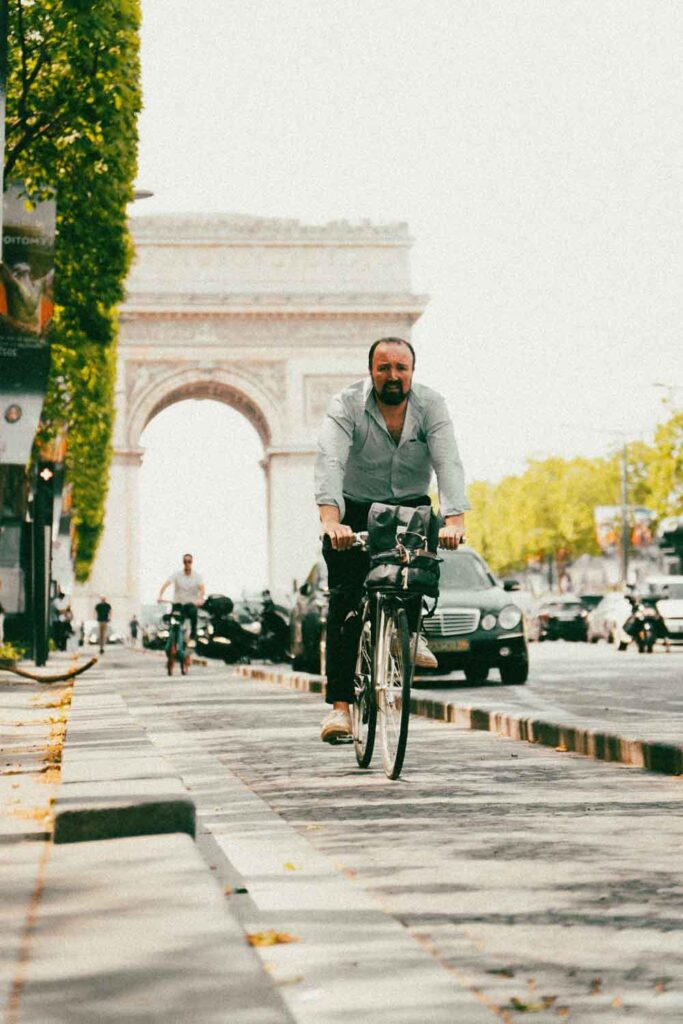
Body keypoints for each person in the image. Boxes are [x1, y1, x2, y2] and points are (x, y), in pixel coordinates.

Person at [315, 336, 469, 744]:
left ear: (412, 372)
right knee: (346, 603)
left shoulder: (431, 405)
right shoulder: (345, 405)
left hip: (410, 507)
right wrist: (332, 521)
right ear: (371, 372)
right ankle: (340, 711)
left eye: (401, 367)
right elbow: (330, 460)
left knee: (416, 572)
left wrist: (454, 520)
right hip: (354, 509)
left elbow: (448, 461)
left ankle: (410, 631)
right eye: (384, 367)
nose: (393, 375)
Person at [158, 554, 205, 643]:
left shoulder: (197, 576)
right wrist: (160, 596)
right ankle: (171, 637)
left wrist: (200, 599)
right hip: (178, 604)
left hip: (190, 604)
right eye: (185, 562)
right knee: (173, 620)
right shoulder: (177, 575)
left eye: (189, 562)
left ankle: (192, 637)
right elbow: (166, 584)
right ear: (183, 562)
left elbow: (202, 589)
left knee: (194, 614)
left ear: (192, 562)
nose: (187, 564)